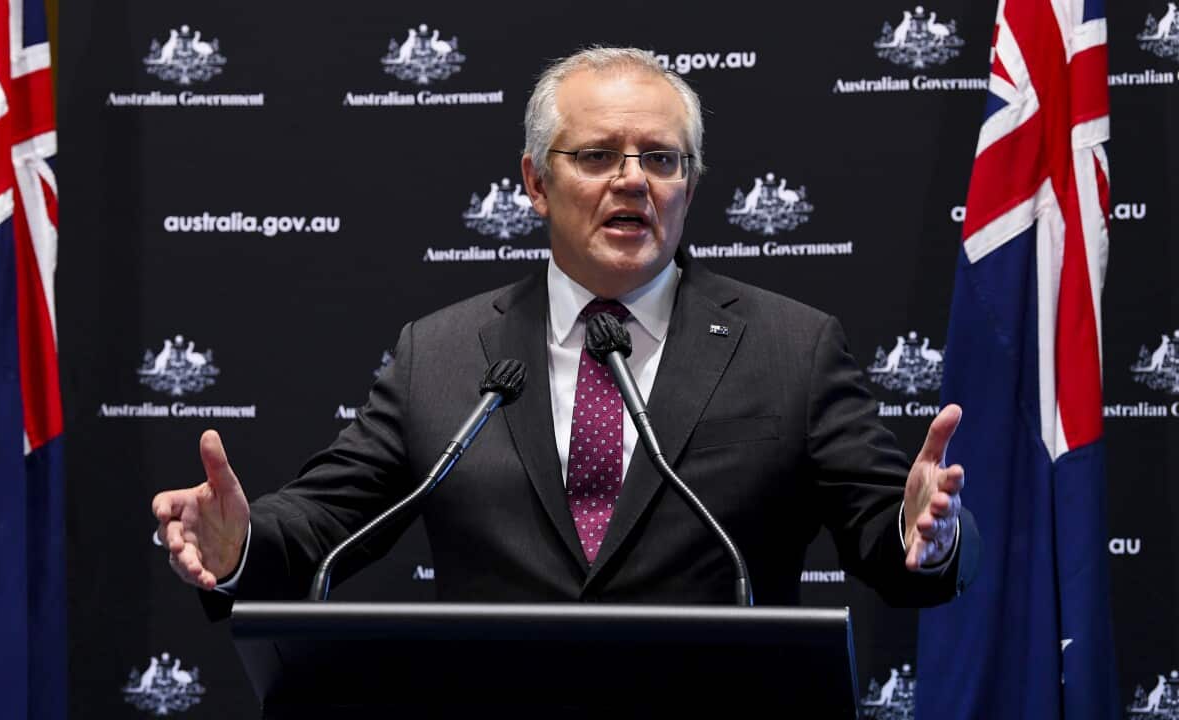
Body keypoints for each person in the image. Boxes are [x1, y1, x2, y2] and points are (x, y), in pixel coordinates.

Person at [152, 47, 977, 613]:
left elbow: (889, 537)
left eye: (661, 159)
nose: (633, 181)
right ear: (536, 183)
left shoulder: (793, 348)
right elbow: (325, 525)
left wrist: (920, 531)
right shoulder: (439, 355)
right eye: (596, 157)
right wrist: (240, 542)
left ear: (690, 186)